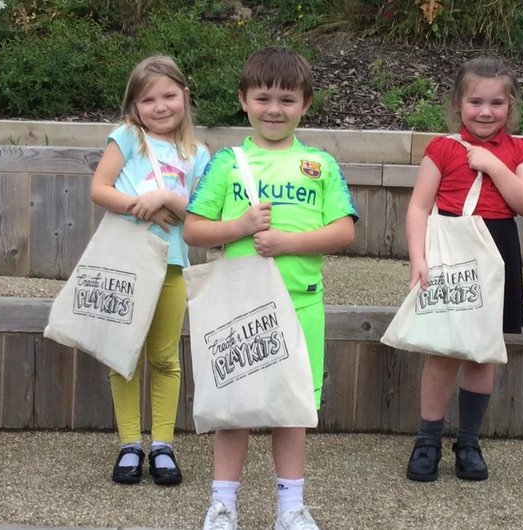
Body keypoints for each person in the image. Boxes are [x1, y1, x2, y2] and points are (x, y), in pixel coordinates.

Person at [184, 46, 358, 530]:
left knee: (293, 411)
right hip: (240, 308)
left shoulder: (319, 164)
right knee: (233, 411)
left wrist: (286, 242)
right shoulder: (227, 163)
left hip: (302, 307)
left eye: (287, 99)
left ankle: (290, 509)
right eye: (263, 98)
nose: (274, 109)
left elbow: (344, 231)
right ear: (243, 100)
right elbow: (194, 230)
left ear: (306, 104)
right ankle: (222, 505)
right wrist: (239, 226)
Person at [403, 57, 523, 482]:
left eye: (496, 102)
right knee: (443, 351)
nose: (486, 112)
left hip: (497, 252)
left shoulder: (521, 151)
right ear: (458, 104)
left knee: (482, 353)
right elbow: (419, 206)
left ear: (511, 105)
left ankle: (469, 442)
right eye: (476, 102)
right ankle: (427, 440)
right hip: (450, 249)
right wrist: (418, 258)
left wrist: (495, 165)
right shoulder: (442, 148)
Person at [89, 55, 210, 486]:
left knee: (164, 357)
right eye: (148, 99)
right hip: (126, 262)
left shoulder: (197, 154)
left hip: (172, 264)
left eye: (169, 96)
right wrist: (139, 207)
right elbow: (99, 189)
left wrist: (163, 197)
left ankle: (162, 444)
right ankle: (128, 443)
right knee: (122, 355)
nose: (160, 106)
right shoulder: (125, 138)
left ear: (185, 97)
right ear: (134, 106)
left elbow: (198, 213)